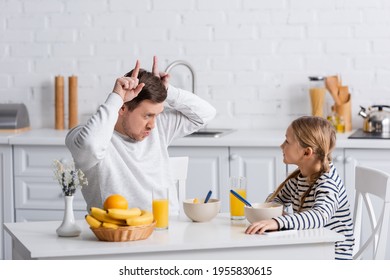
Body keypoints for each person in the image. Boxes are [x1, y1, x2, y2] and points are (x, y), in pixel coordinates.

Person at [65, 56, 216, 215]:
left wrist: (169, 92)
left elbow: (206, 114)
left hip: (168, 227)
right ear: (122, 108)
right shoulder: (84, 137)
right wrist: (116, 97)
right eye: (147, 116)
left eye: (156, 115)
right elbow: (91, 146)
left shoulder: (158, 127)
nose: (152, 124)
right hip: (120, 232)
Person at [245, 116, 354, 260]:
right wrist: (274, 211)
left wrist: (278, 221)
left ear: (306, 152)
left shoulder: (327, 182)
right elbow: (275, 200)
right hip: (310, 247)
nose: (281, 146)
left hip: (333, 256)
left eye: (287, 142)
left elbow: (319, 216)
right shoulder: (299, 177)